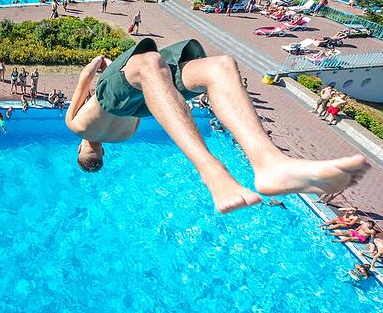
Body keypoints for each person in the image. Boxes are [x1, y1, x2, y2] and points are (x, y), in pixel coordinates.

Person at [65, 39, 370, 214]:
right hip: (121, 96)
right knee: (149, 61)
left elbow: (151, 106)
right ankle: (211, 171)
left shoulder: (120, 137)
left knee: (217, 68)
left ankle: (270, 164)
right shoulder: (79, 128)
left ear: (100, 154)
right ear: (87, 150)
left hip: (136, 98)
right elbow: (84, 82)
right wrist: (95, 65)